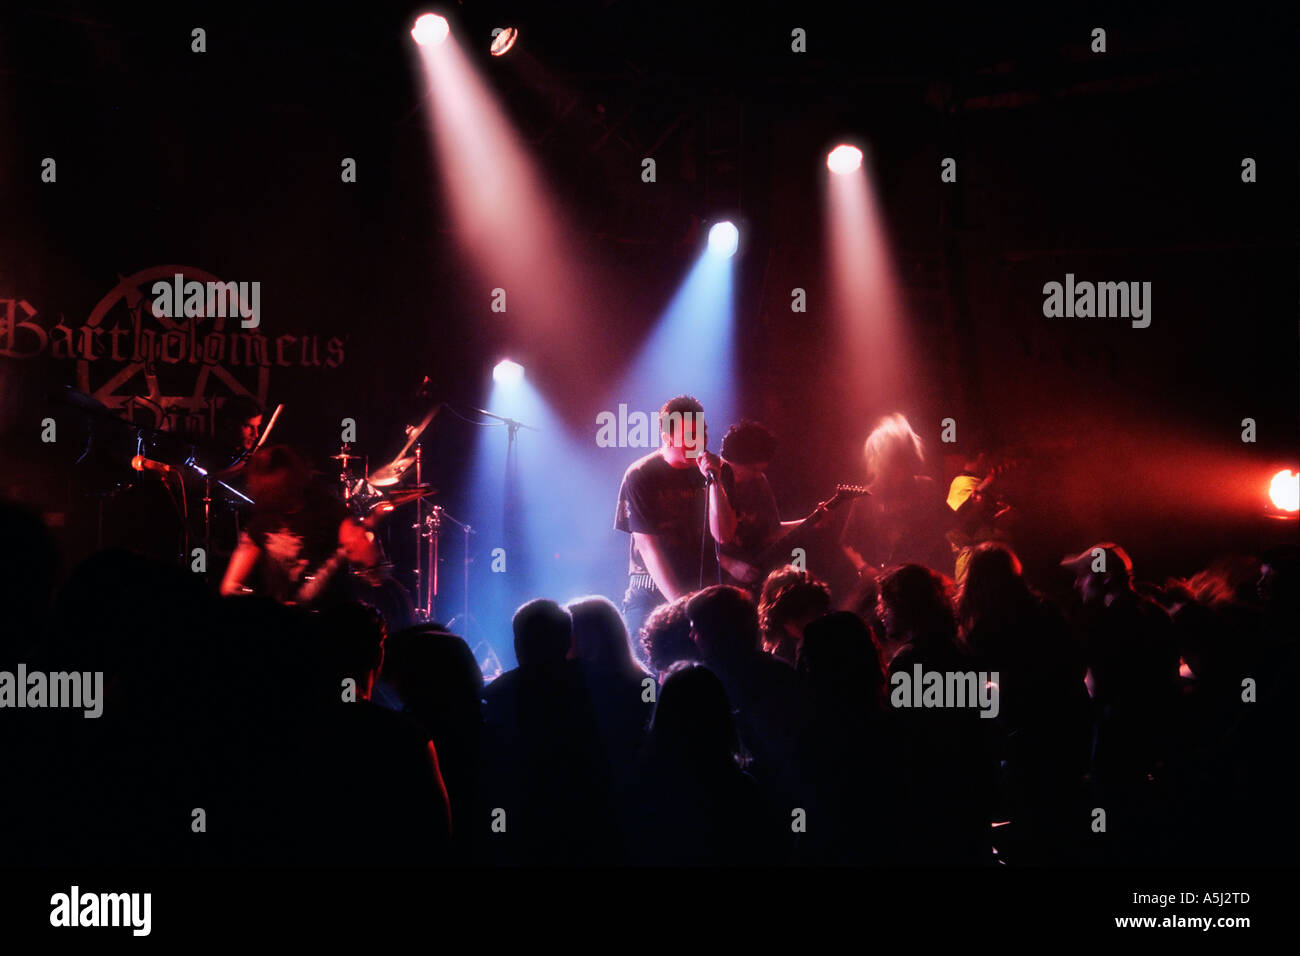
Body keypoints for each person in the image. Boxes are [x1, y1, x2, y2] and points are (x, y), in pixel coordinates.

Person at [614, 395, 737, 657]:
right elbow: (649, 549)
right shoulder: (641, 475)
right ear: (667, 437)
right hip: (651, 588)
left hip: (702, 585)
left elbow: (723, 535)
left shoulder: (719, 471)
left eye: (702, 432)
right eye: (690, 434)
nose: (699, 441)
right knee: (649, 664)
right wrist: (682, 605)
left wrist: (715, 483)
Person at [218, 445, 362, 604]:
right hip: (281, 621)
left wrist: (360, 547)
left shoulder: (330, 511)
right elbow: (230, 586)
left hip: (329, 618)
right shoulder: (262, 522)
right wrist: (263, 604)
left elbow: (362, 554)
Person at [717, 419, 831, 590]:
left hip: (755, 581)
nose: (758, 476)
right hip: (718, 584)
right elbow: (693, 544)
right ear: (732, 462)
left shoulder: (759, 482)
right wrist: (729, 564)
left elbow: (773, 531)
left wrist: (812, 520)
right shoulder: (709, 484)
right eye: (754, 470)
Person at [840, 414, 950, 577]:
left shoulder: (926, 488)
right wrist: (863, 568)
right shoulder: (867, 496)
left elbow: (949, 524)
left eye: (904, 459)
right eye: (895, 461)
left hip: (929, 577)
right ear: (883, 462)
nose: (901, 468)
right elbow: (847, 542)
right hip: (890, 581)